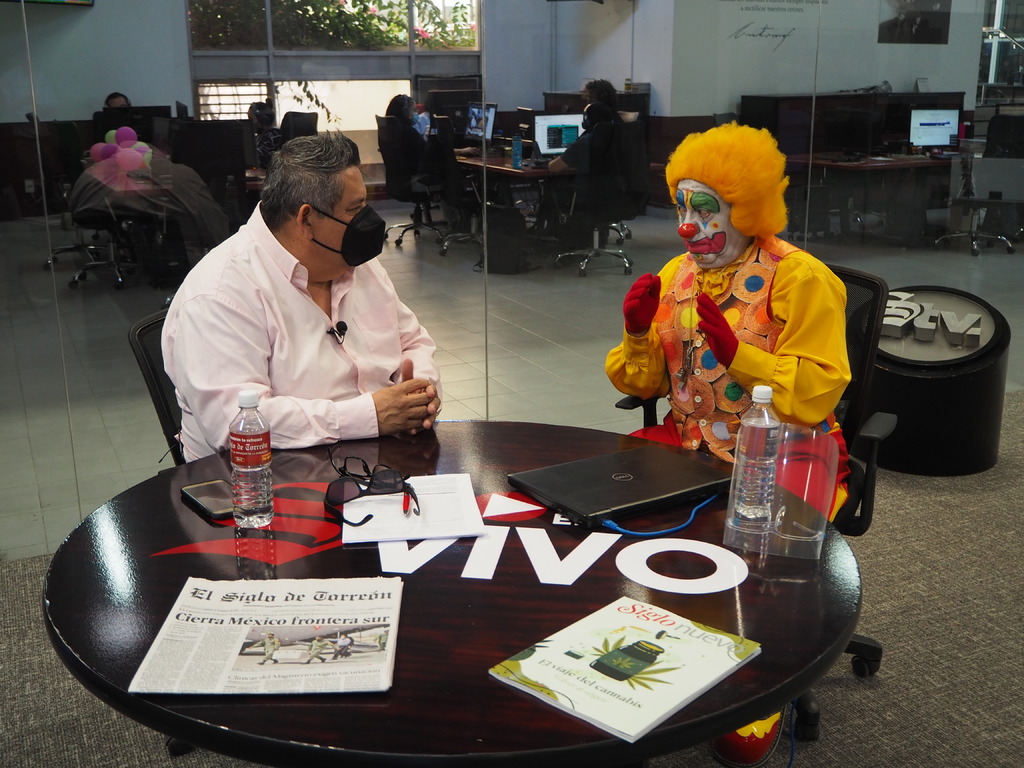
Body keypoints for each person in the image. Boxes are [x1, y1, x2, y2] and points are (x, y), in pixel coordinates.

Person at [605, 122, 851, 767]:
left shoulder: (801, 279)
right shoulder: (678, 275)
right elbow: (645, 383)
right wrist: (636, 333)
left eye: (706, 209)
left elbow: (818, 391)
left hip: (790, 453)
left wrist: (742, 356)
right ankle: (649, 638)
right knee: (608, 513)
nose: (688, 225)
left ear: (747, 209)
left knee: (761, 557)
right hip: (690, 442)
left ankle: (762, 678)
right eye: (681, 206)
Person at [162, 131, 442, 461]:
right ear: (306, 218)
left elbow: (412, 341)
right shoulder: (220, 293)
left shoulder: (356, 263)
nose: (369, 221)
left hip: (378, 460)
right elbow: (235, 424)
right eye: (355, 209)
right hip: (266, 476)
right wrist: (369, 416)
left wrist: (419, 392)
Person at [247, 101, 284, 169]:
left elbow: (258, 156)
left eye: (251, 119)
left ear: (263, 119)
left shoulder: (273, 135)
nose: (250, 123)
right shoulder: (261, 136)